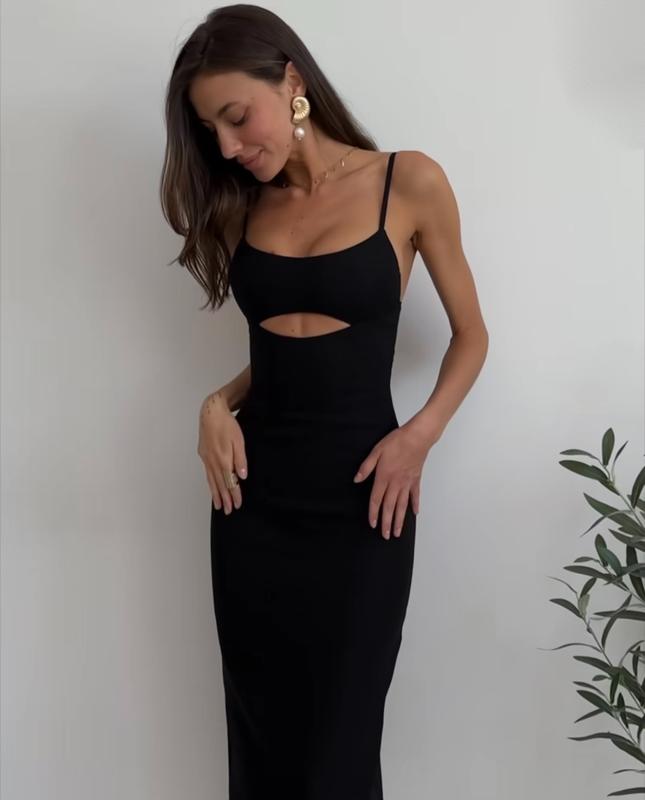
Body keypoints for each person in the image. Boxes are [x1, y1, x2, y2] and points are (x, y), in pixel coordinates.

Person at [159, 5, 488, 798]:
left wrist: (419, 437)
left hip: (364, 496)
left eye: (236, 116)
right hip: (252, 501)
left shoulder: (407, 182)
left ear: (291, 81)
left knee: (341, 740)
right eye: (210, 130)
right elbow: (279, 354)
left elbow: (470, 336)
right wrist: (214, 404)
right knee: (261, 737)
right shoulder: (243, 206)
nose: (228, 146)